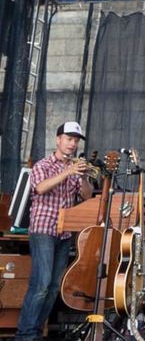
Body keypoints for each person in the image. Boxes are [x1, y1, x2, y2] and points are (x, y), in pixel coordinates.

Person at [15, 122, 94, 341]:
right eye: (69, 139)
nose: (72, 144)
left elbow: (87, 196)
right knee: (40, 283)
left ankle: (36, 332)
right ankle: (25, 335)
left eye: (76, 140)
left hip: (64, 232)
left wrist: (85, 177)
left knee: (52, 287)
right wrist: (68, 170)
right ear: (58, 140)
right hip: (43, 229)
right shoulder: (43, 164)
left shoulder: (75, 168)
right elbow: (40, 188)